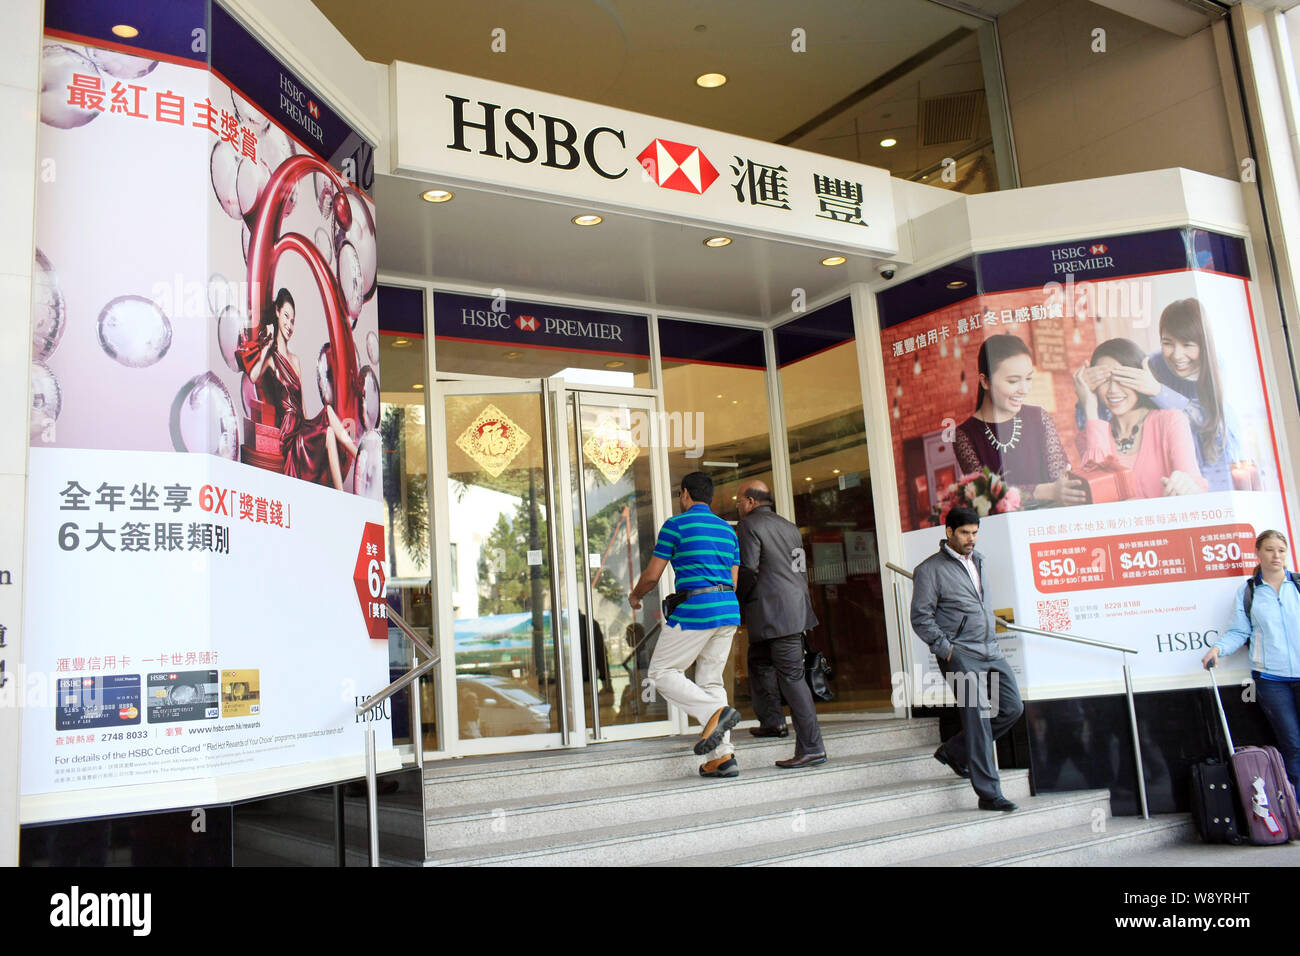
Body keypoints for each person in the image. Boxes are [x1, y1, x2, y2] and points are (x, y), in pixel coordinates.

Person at [910, 506, 1024, 811]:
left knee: (1012, 707)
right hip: (961, 655)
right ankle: (989, 794)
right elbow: (921, 617)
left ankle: (955, 751)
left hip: (990, 650)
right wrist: (947, 649)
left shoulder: (979, 562)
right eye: (964, 533)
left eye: (974, 532)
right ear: (949, 533)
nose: (971, 538)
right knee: (978, 718)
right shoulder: (929, 570)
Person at [629, 472, 742, 778]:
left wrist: (636, 596)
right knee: (711, 681)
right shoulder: (728, 532)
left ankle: (712, 714)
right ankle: (723, 757)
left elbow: (652, 576)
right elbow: (732, 581)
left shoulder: (675, 526)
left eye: (681, 494)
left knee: (662, 673)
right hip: (728, 611)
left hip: (697, 611)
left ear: (686, 494)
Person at [1073, 298, 1243, 491]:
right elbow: (1100, 423)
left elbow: (1207, 420)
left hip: (1213, 452)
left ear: (1204, 343)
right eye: (1168, 343)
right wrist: (1086, 396)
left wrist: (1157, 391)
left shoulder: (1215, 366)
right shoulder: (1153, 362)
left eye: (1188, 344)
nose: (1177, 355)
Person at [736, 480, 826, 768]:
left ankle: (812, 746)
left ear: (750, 501)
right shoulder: (789, 526)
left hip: (774, 613)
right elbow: (798, 570)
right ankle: (773, 721)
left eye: (739, 500)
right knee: (758, 661)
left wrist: (737, 599)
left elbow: (749, 568)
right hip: (791, 609)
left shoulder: (749, 525)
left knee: (791, 677)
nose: (738, 506)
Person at [1202, 530, 1300, 792]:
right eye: (1269, 549)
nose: (1275, 555)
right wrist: (1217, 650)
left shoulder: (1298, 585)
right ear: (1257, 552)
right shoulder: (1249, 591)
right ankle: (1297, 810)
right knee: (1293, 746)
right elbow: (1239, 631)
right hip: (1271, 680)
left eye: (1281, 549)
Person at [240, 288, 359, 490]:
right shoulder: (271, 357)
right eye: (286, 316)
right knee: (329, 432)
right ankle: (350, 477)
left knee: (329, 414)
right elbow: (252, 376)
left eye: (293, 320)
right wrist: (266, 350)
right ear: (277, 313)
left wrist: (312, 429)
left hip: (301, 426)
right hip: (288, 434)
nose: (289, 324)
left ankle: (357, 459)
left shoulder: (295, 360)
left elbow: (302, 407)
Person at [954, 333, 1086, 508]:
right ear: (985, 381)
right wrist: (1047, 491)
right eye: (1013, 381)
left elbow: (1061, 479)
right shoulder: (964, 435)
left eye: (1028, 378)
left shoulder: (1039, 417)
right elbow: (987, 495)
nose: (1024, 389)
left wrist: (1060, 489)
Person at [1072, 337, 1207, 498]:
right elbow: (1100, 496)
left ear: (1140, 379)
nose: (1113, 390)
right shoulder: (1088, 436)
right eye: (1105, 381)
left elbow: (1195, 487)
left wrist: (1186, 486)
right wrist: (1089, 406)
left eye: (1123, 379)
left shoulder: (1171, 421)